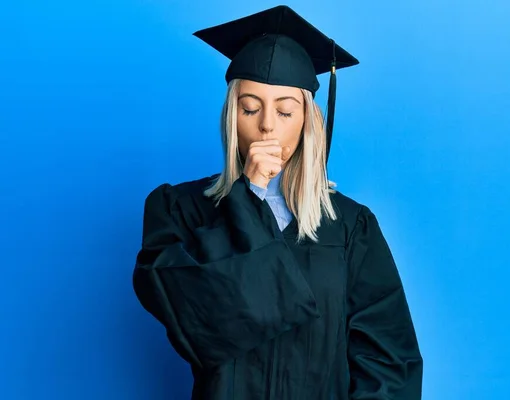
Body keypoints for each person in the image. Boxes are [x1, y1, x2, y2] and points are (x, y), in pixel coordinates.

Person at [132, 5, 423, 399]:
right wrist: (246, 196)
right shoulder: (180, 209)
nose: (267, 124)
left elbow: (388, 360)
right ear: (231, 116)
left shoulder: (350, 227)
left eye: (285, 110)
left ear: (308, 121)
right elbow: (195, 322)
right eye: (250, 107)